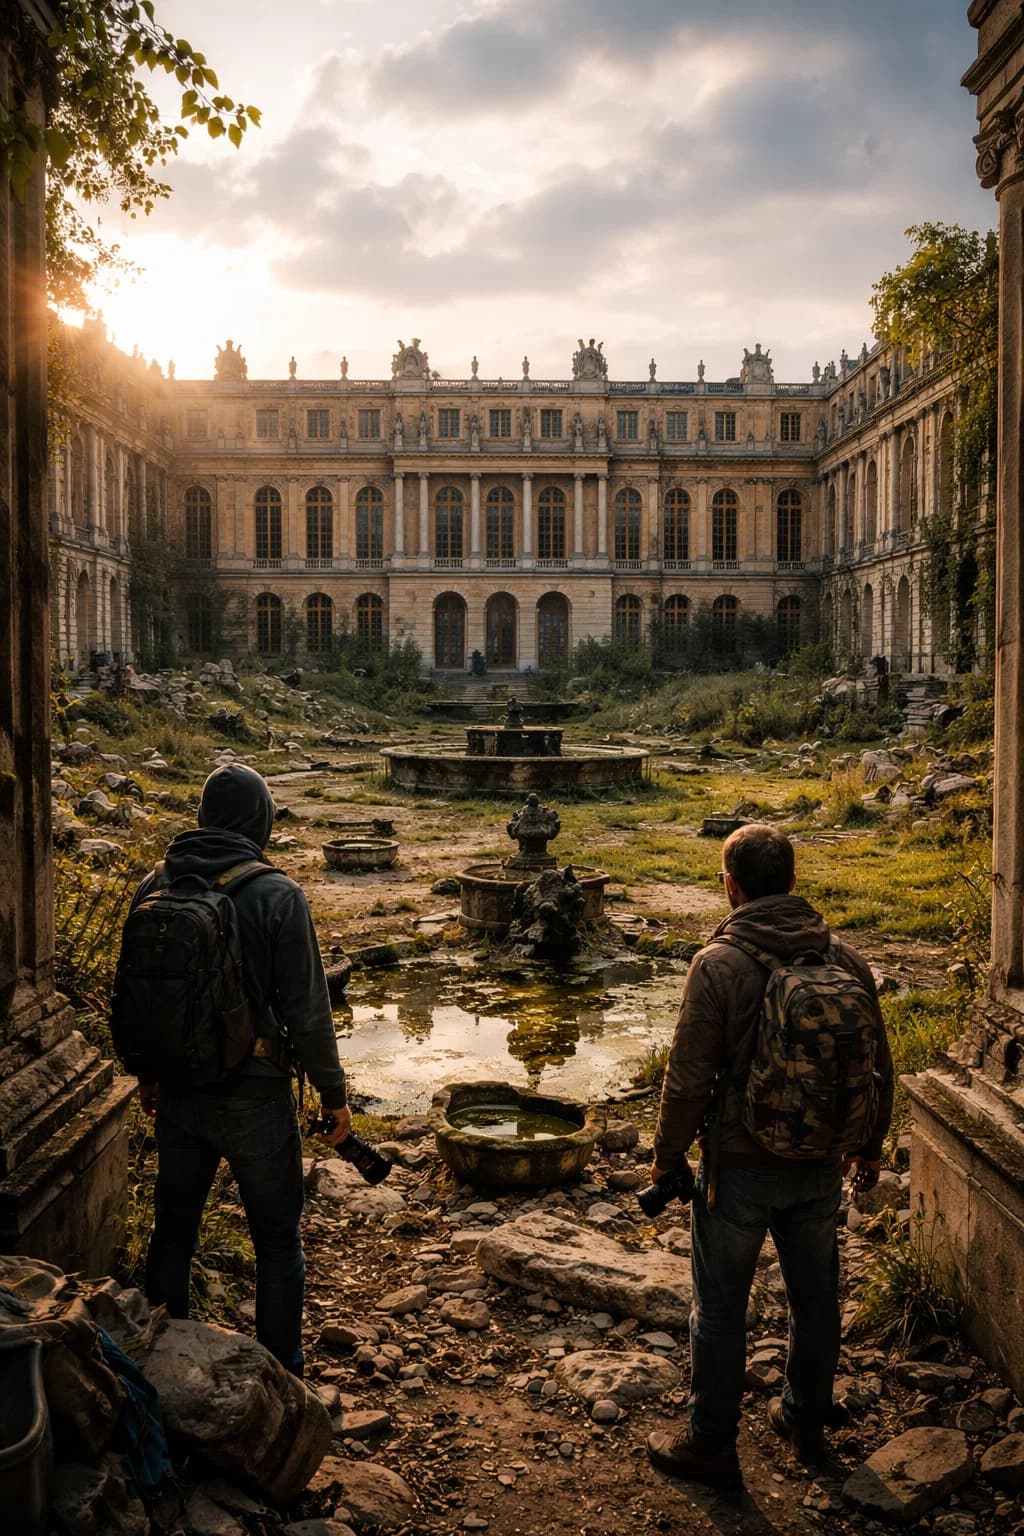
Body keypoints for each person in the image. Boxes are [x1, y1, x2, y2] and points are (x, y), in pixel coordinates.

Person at [646, 823, 893, 1491]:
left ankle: (710, 1445)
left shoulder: (718, 965)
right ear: (792, 882)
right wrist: (869, 1147)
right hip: (820, 1161)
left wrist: (667, 1157)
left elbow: (687, 1078)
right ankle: (806, 1419)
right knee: (816, 1298)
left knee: (721, 1306)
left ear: (730, 887)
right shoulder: (844, 958)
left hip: (740, 1164)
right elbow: (879, 1066)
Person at [134, 762, 351, 1377]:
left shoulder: (156, 882)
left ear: (204, 817)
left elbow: (144, 996)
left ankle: (160, 1372)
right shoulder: (278, 894)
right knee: (277, 1242)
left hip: (178, 1091)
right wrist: (332, 1095)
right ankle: (283, 1380)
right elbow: (308, 1011)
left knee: (172, 1233)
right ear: (262, 823)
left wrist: (148, 1076)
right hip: (256, 1096)